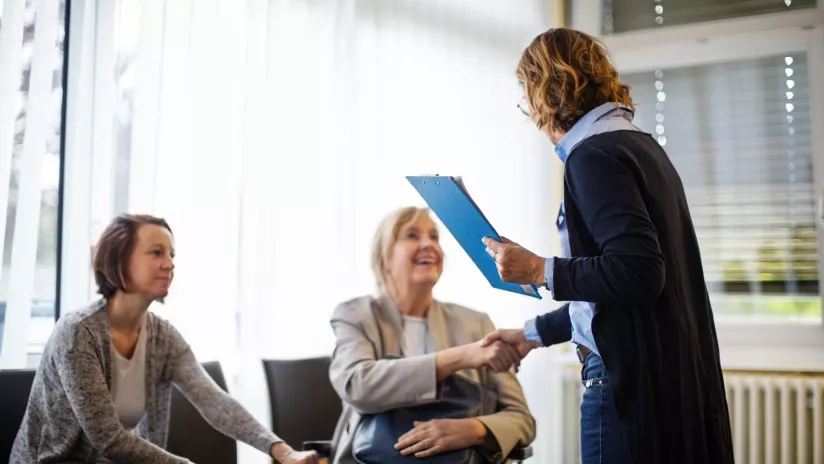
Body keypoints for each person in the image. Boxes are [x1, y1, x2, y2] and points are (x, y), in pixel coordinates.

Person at [480, 28, 734, 464]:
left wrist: (539, 269)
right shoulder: (640, 146)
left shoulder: (592, 156)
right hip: (666, 378)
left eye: (529, 99)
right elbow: (608, 295)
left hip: (623, 384)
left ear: (546, 93)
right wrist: (530, 336)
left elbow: (638, 273)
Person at [11, 214, 318, 464]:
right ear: (119, 260)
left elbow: (215, 402)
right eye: (156, 252)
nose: (170, 263)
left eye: (171, 254)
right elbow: (107, 438)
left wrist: (281, 450)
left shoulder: (162, 336)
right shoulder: (78, 333)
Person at [328, 207, 536, 464]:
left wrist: (473, 429)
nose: (429, 244)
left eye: (434, 237)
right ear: (383, 259)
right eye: (412, 236)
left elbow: (521, 419)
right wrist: (461, 356)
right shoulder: (355, 315)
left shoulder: (476, 323)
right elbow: (357, 386)